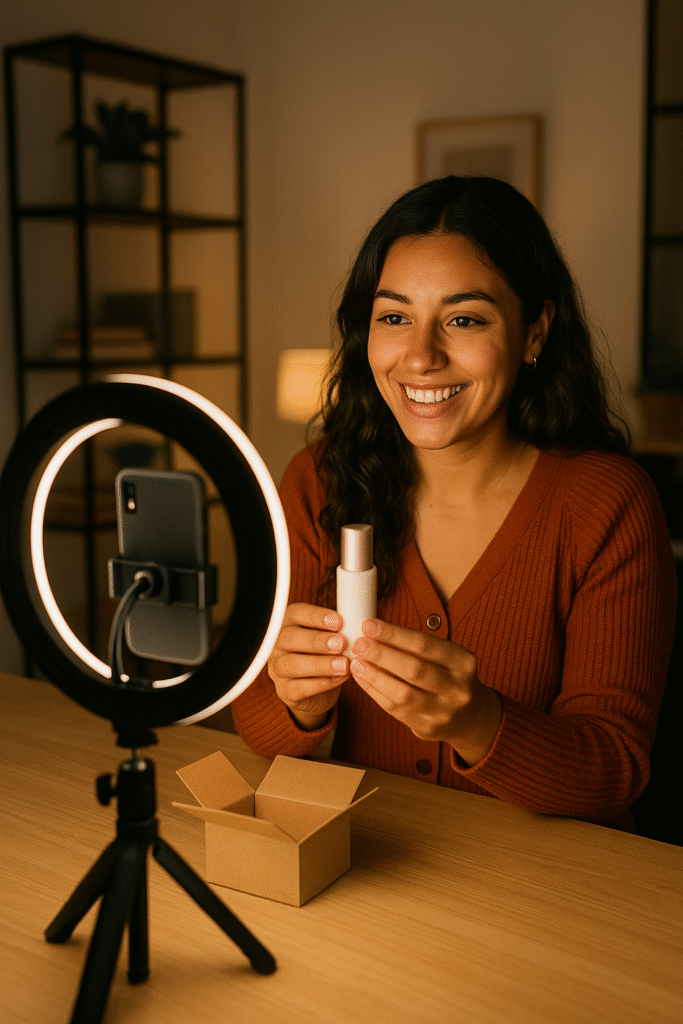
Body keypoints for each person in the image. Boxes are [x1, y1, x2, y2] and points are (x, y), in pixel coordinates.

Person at [232, 175, 677, 831]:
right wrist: (299, 703)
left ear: (534, 332)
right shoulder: (317, 480)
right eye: (394, 318)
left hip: (549, 879)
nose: (421, 357)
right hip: (376, 864)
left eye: (464, 319)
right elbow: (255, 722)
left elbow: (615, 768)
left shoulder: (608, 503)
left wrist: (479, 723)